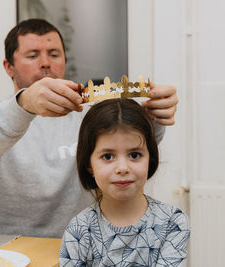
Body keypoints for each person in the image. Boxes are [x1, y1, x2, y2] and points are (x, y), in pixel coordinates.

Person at [0, 18, 179, 238]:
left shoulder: (91, 116)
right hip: (4, 250)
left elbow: (138, 145)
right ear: (9, 67)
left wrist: (155, 117)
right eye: (33, 55)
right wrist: (25, 103)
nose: (45, 63)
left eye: (54, 54)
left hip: (79, 249)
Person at [59, 98, 189, 266]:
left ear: (150, 158)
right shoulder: (78, 229)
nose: (122, 168)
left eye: (134, 155)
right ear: (89, 164)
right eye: (107, 156)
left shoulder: (173, 222)